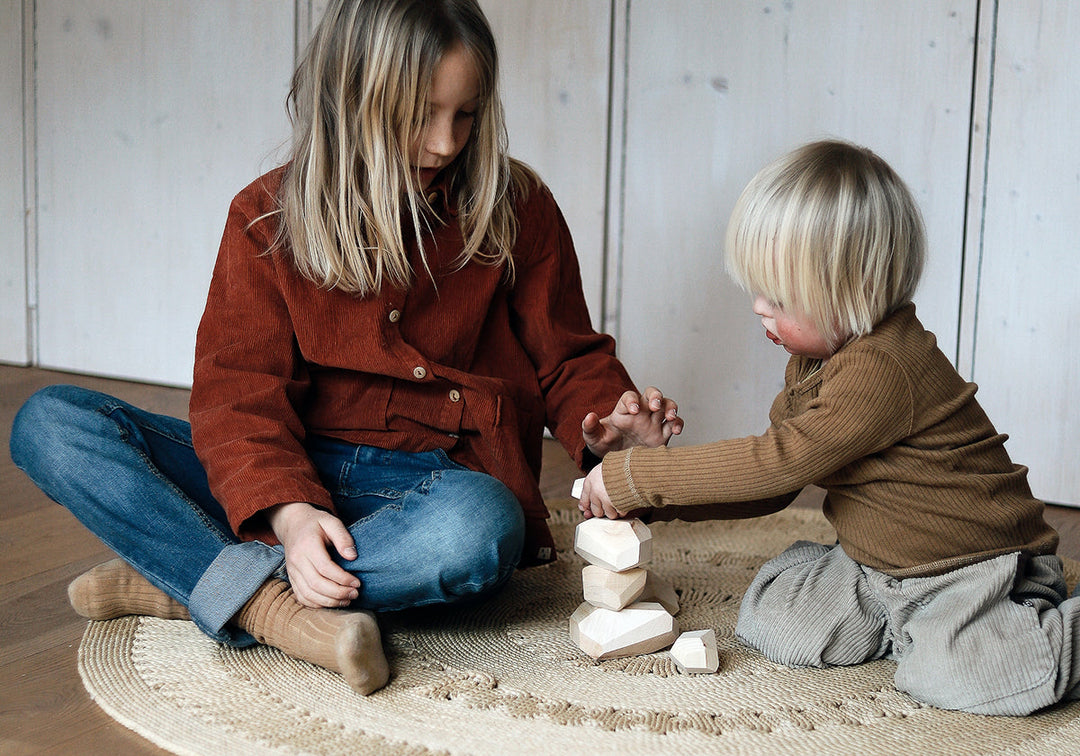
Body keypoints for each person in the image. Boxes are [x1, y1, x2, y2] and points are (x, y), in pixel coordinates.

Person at [10, 0, 681, 697]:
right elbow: (237, 395)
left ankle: (195, 582)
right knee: (52, 424)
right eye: (422, 115)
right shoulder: (265, 218)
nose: (447, 143)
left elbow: (568, 357)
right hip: (293, 466)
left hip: (440, 484)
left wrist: (614, 426)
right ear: (351, 98)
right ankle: (265, 602)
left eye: (467, 114)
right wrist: (291, 515)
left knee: (481, 532)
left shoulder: (518, 205)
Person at [577, 139, 1080, 716]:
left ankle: (1031, 634)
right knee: (775, 622)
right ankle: (906, 626)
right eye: (757, 290)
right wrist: (648, 500)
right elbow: (773, 487)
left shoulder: (882, 368)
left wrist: (640, 476)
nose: (760, 309)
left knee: (955, 677)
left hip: (973, 570)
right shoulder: (814, 362)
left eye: (781, 298)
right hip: (878, 565)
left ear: (852, 293)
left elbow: (777, 462)